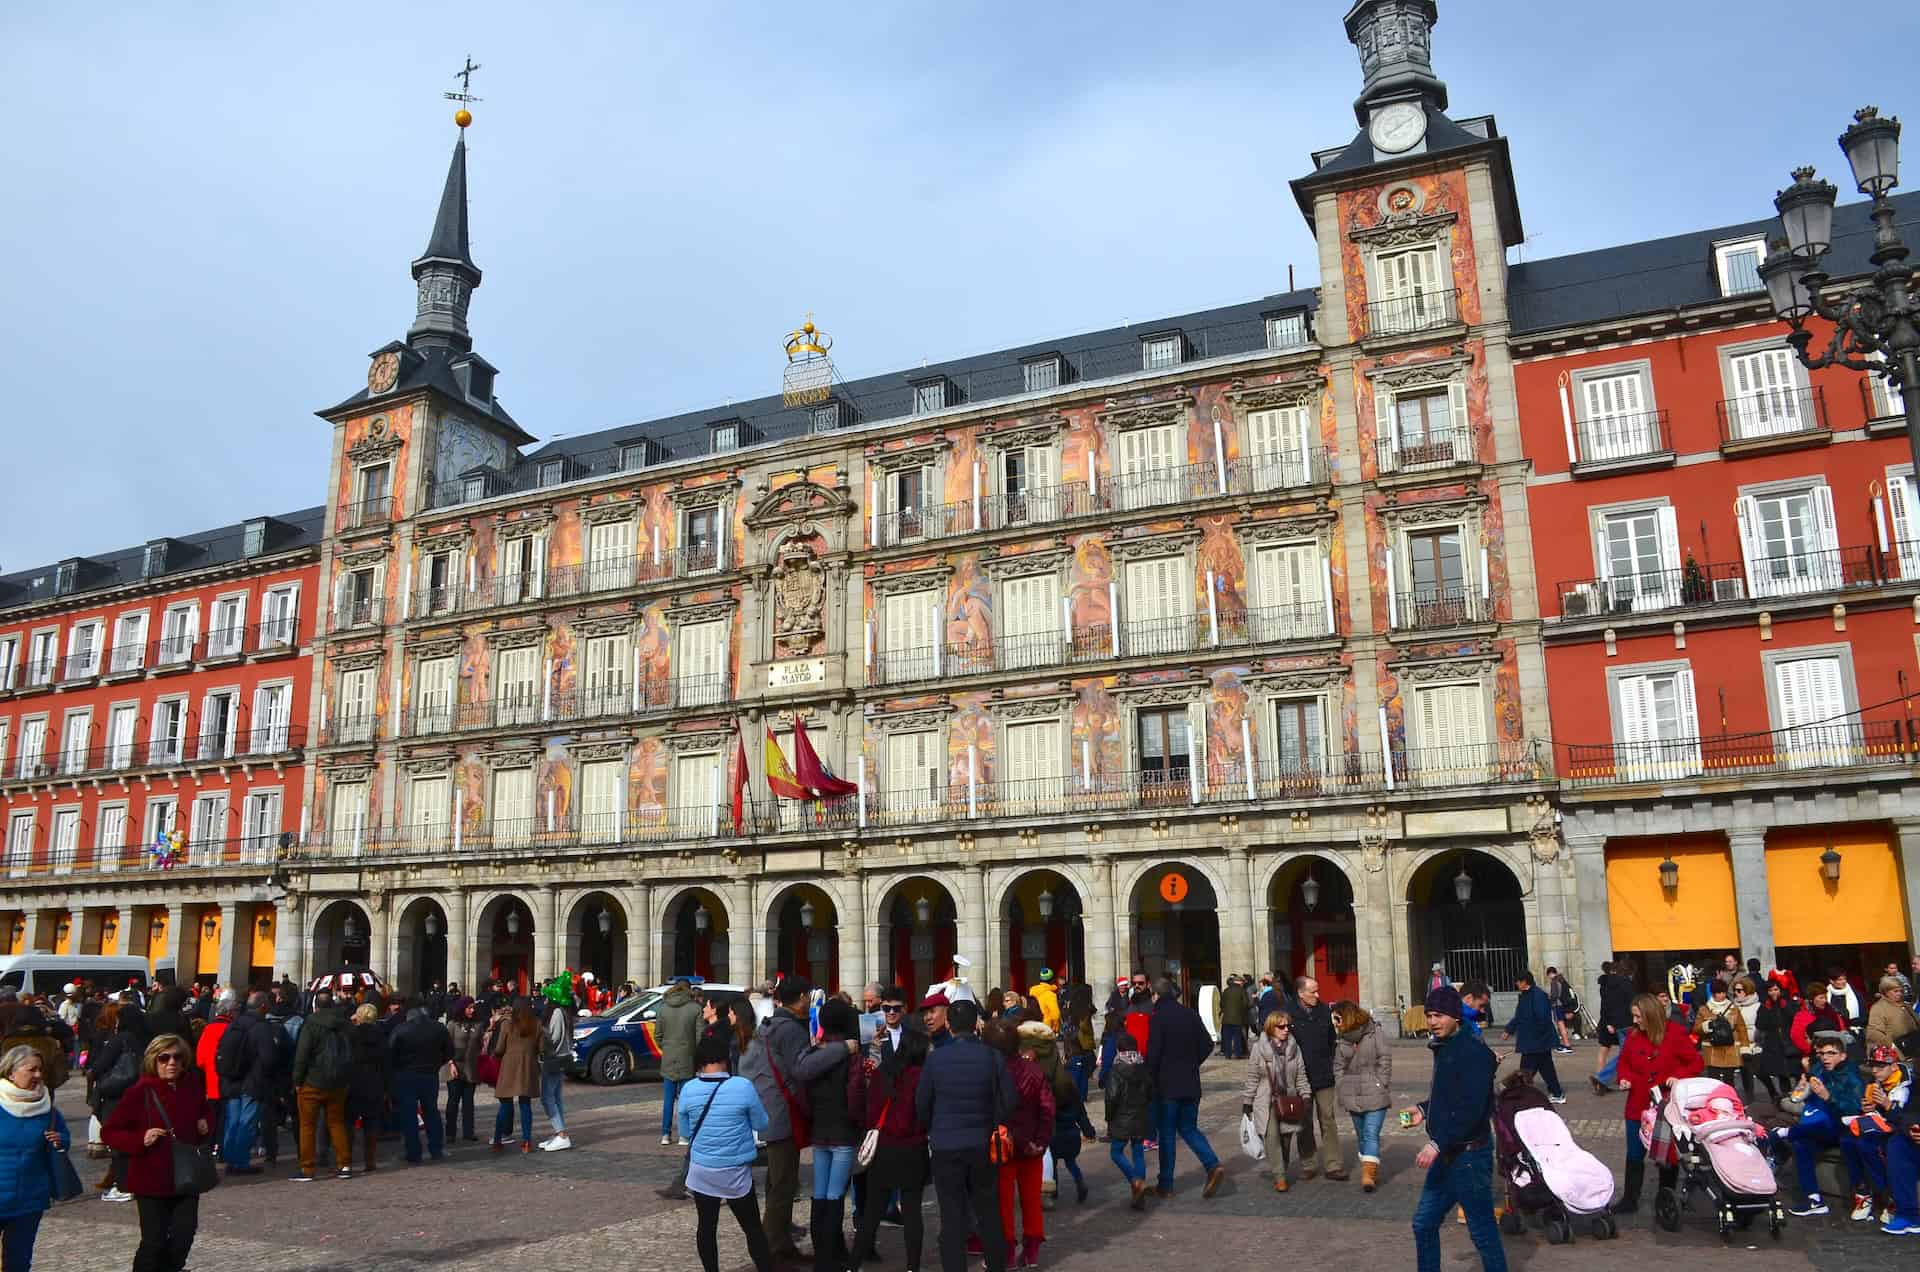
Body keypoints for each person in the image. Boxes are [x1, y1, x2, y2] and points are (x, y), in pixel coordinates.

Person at [1404, 985, 1503, 1271]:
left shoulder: (1472, 1051)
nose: (1433, 1022)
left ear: (1456, 1017)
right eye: (1429, 1015)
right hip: (1448, 1154)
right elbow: (1449, 1096)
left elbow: (1471, 1110)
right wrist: (1424, 1110)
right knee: (1423, 1223)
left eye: (1439, 1015)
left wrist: (1436, 1143)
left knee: (1482, 1232)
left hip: (1470, 1156)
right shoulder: (1444, 1046)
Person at [917, 998, 1016, 1272]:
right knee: (988, 1213)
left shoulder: (936, 1059)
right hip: (983, 1144)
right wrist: (995, 1120)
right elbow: (1009, 1099)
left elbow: (922, 1103)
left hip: (946, 1144)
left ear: (948, 1024)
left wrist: (934, 1127)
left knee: (951, 1216)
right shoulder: (992, 1056)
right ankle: (997, 1265)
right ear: (976, 1025)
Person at [101, 1035, 210, 1272]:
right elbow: (110, 1132)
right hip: (151, 1178)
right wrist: (140, 1138)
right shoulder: (140, 1091)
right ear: (154, 1060)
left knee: (184, 1234)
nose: (171, 1063)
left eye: (177, 1057)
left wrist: (205, 1122)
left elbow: (206, 1112)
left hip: (186, 1175)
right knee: (154, 1242)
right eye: (164, 1058)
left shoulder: (191, 1085)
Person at [679, 1032, 773, 1272]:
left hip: (702, 1171)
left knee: (707, 1227)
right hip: (736, 1172)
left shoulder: (688, 1089)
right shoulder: (742, 1086)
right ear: (725, 1058)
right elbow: (761, 1123)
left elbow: (686, 1131)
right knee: (752, 1227)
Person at [739, 976, 814, 1264]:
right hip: (784, 1112)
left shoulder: (768, 1025)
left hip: (769, 1107)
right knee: (783, 1184)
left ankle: (782, 1244)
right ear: (803, 997)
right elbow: (802, 1070)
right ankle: (771, 1251)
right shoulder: (792, 1029)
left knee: (776, 1181)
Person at [1610, 992, 1703, 1215]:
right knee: (1634, 1153)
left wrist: (1679, 1075)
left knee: (1666, 1154)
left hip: (1665, 1105)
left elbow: (1696, 1062)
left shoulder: (1675, 1034)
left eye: (1638, 1016)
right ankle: (1630, 1199)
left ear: (1650, 1015)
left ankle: (1666, 1197)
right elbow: (1623, 1063)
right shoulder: (1633, 1037)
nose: (1634, 1021)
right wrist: (1624, 1077)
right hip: (1638, 1103)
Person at [849, 1022, 931, 1268]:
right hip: (913, 1147)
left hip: (884, 1146)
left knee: (872, 1211)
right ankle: (912, 1266)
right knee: (913, 1211)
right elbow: (925, 1112)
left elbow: (871, 1109)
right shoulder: (922, 1076)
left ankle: (854, 1263)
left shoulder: (882, 1072)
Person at [1146, 976, 1226, 1198]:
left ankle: (1166, 1184)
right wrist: (1193, 1062)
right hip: (1190, 1082)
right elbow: (1208, 1044)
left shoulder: (1159, 1018)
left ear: (1156, 995)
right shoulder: (1189, 1014)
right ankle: (1212, 1164)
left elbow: (1153, 1054)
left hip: (1167, 1085)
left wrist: (1148, 1079)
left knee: (1168, 1134)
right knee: (1189, 1128)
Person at [798, 997, 861, 1272]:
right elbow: (856, 1095)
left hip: (820, 1129)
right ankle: (829, 1259)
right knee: (835, 1196)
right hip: (843, 1132)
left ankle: (821, 1256)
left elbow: (802, 1093)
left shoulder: (814, 1055)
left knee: (820, 1193)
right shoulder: (851, 1057)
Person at [1779, 1031, 1866, 1216]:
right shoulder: (1818, 1069)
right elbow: (1797, 1098)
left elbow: (1853, 1108)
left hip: (1839, 1127)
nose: (1826, 1058)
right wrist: (1802, 1084)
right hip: (1816, 1125)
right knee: (1802, 1145)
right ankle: (1814, 1199)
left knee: (1791, 1135)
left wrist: (1828, 1097)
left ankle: (1781, 1136)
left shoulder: (1851, 1076)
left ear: (1843, 1055)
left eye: (1831, 1053)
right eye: (1823, 1054)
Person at [0, 1043, 70, 1272]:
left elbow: (64, 1139)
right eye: (31, 1070)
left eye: (40, 1070)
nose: (38, 1075)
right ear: (11, 1072)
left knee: (18, 1262)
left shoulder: (47, 1108)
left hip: (29, 1198)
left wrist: (60, 1140)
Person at [1242, 1009, 1311, 1193]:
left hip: (1288, 1099)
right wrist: (1247, 1101)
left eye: (1288, 1026)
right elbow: (1252, 1076)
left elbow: (1301, 1075)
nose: (1286, 1029)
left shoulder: (1294, 1048)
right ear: (1271, 1028)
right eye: (1281, 1026)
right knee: (1272, 1137)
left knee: (1286, 1139)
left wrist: (1305, 1096)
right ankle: (1280, 1177)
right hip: (1266, 1100)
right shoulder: (1259, 1049)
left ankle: (1282, 1168)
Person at [290, 990, 353, 1182]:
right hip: (338, 1081)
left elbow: (302, 1055)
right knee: (337, 1123)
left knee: (307, 1125)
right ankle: (344, 1164)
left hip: (313, 1081)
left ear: (315, 1005)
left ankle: (307, 1168)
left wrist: (297, 1081)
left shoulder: (311, 1024)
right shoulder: (345, 1025)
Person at [1286, 975, 1345, 1180]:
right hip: (1300, 1077)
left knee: (1328, 1119)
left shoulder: (1323, 1011)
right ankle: (1308, 1164)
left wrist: (1328, 1062)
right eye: (1313, 992)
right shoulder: (1288, 1013)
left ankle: (1333, 1165)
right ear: (1301, 993)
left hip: (1323, 1074)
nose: (1317, 995)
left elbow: (1331, 1040)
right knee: (1304, 1121)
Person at [1332, 1000, 1393, 1192]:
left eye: (1337, 1017)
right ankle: (1370, 1166)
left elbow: (1385, 1057)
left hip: (1374, 1090)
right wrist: (1341, 1084)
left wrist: (1381, 1081)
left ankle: (1368, 1176)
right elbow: (1338, 1065)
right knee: (1362, 1136)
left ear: (1347, 1016)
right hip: (1352, 1093)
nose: (1334, 1021)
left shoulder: (1374, 1032)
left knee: (1370, 1133)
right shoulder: (1342, 1038)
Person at [215, 992, 274, 1176]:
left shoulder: (235, 1024)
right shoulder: (261, 1027)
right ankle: (240, 1162)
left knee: (232, 1122)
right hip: (252, 1081)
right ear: (263, 1006)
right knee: (247, 1123)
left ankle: (230, 1159)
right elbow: (268, 1057)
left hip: (232, 1079)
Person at [389, 997, 452, 1163]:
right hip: (429, 1074)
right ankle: (436, 1148)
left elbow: (391, 1054)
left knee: (409, 1115)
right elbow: (449, 1051)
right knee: (431, 1111)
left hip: (406, 1075)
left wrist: (397, 1070)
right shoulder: (438, 1028)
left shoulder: (401, 1029)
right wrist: (436, 1064)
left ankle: (413, 1152)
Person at [1501, 971, 1565, 1104]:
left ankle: (1519, 1094)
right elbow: (1519, 1016)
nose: (1516, 984)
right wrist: (1509, 1029)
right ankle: (1557, 1093)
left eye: (1518, 981)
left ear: (1524, 982)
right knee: (1545, 1068)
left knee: (1526, 1070)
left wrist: (1537, 1037)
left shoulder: (1538, 996)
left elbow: (1543, 1019)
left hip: (1536, 1040)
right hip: (1534, 1040)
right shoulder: (1526, 995)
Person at [487, 1001, 541, 1153]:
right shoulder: (535, 1025)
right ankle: (526, 1142)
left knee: (504, 1105)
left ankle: (498, 1140)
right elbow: (542, 1047)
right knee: (525, 1106)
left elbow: (499, 1048)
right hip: (527, 1068)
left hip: (509, 1068)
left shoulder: (507, 1025)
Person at [655, 979, 702, 1147]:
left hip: (668, 1057)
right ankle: (684, 1135)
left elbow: (658, 1035)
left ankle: (665, 1134)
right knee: (685, 1099)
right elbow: (699, 1037)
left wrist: (667, 1047)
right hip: (687, 1057)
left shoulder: (663, 1008)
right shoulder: (695, 1008)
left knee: (668, 1100)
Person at [537, 977, 574, 1151]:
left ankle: (561, 1134)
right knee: (556, 1096)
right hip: (558, 1057)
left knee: (547, 1098)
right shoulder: (560, 1012)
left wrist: (542, 1039)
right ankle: (559, 1132)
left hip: (554, 1058)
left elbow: (555, 1038)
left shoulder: (557, 1013)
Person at [1694, 978, 1748, 1090]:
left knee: (1729, 1081)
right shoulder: (1704, 1009)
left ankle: (1731, 1103)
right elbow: (1696, 1029)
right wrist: (1706, 1025)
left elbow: (1741, 1028)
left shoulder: (1733, 1008)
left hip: (1730, 1049)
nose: (1722, 995)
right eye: (1719, 992)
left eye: (1723, 992)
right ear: (1713, 994)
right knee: (1714, 1082)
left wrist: (1745, 1048)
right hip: (1712, 1049)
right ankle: (1716, 1103)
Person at [1590, 960, 1634, 1094]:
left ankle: (1620, 1079)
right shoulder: (1626, 984)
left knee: (1621, 1052)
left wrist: (1609, 1022)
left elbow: (1606, 1005)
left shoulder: (1606, 985)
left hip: (1615, 1023)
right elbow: (1633, 1001)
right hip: (1628, 1022)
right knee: (1626, 1054)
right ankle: (1602, 1077)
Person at [443, 997, 483, 1142]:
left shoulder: (478, 1025)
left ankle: (468, 1131)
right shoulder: (452, 1025)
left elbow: (480, 1045)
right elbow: (446, 1046)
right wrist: (450, 1063)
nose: (472, 1010)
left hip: (471, 1067)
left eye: (473, 1007)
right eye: (469, 1008)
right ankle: (450, 1132)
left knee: (468, 1102)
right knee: (453, 1100)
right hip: (454, 1067)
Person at [1750, 979, 1795, 1105]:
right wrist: (1767, 1010)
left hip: (1788, 1042)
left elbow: (1793, 1018)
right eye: (1770, 990)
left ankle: (1789, 1098)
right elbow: (1760, 1024)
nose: (1773, 993)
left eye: (1776, 989)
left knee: (1787, 1073)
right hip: (1772, 1042)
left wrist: (1784, 1006)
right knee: (1764, 1071)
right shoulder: (1764, 1006)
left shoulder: (1787, 1003)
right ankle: (1775, 1095)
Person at [1867, 975, 1919, 1053]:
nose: (1899, 994)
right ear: (1886, 992)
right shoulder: (1878, 1008)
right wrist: (1892, 1046)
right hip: (1895, 1050)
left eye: (1901, 991)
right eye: (1895, 991)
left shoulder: (1905, 1005)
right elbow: (1874, 1034)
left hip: (1913, 1046)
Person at [1219, 975, 1249, 1061]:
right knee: (1237, 1036)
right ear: (1240, 982)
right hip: (1238, 1018)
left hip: (1226, 1018)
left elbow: (1221, 1004)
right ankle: (1237, 1054)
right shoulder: (1241, 990)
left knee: (1227, 1037)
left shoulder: (1226, 990)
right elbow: (1245, 1004)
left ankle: (1227, 1054)